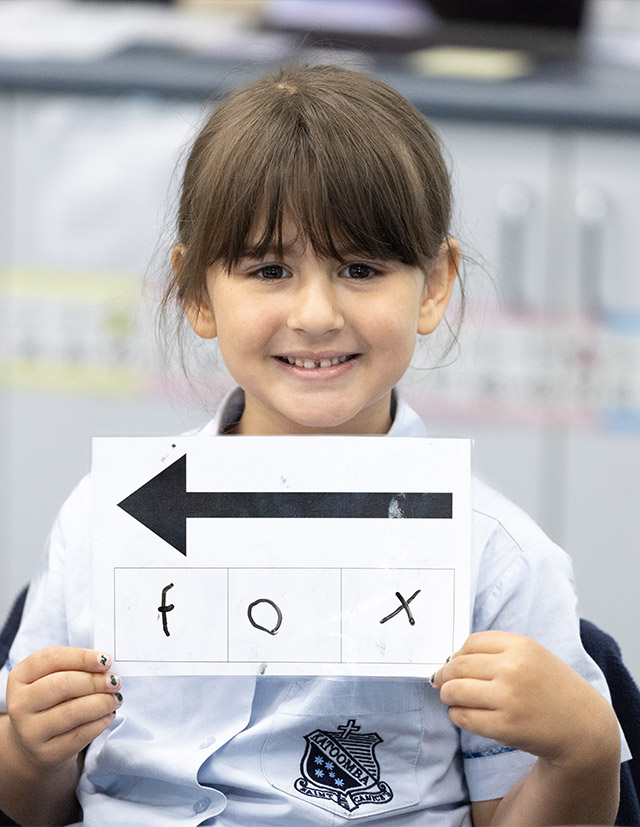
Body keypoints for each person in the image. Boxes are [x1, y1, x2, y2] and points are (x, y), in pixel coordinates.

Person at [0, 64, 625, 826]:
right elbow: (31, 806)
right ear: (198, 292)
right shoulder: (104, 520)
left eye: (360, 268)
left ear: (433, 285)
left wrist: (586, 747)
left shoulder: (494, 558)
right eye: (268, 269)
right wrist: (30, 751)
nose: (316, 312)